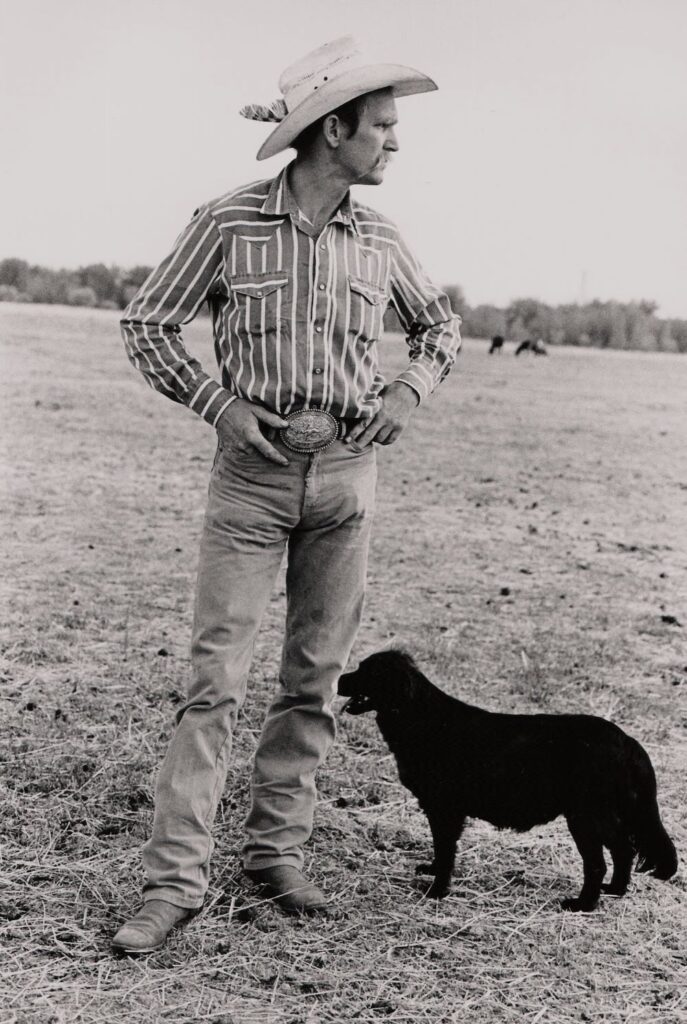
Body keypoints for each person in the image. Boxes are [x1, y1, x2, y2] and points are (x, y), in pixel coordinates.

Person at [113, 34, 461, 954]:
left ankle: (276, 857)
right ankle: (172, 885)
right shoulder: (227, 222)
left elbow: (439, 326)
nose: (395, 142)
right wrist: (216, 405)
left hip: (348, 482)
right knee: (212, 683)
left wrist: (404, 393)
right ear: (332, 127)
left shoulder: (382, 237)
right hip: (252, 482)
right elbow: (147, 323)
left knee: (312, 684)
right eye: (382, 126)